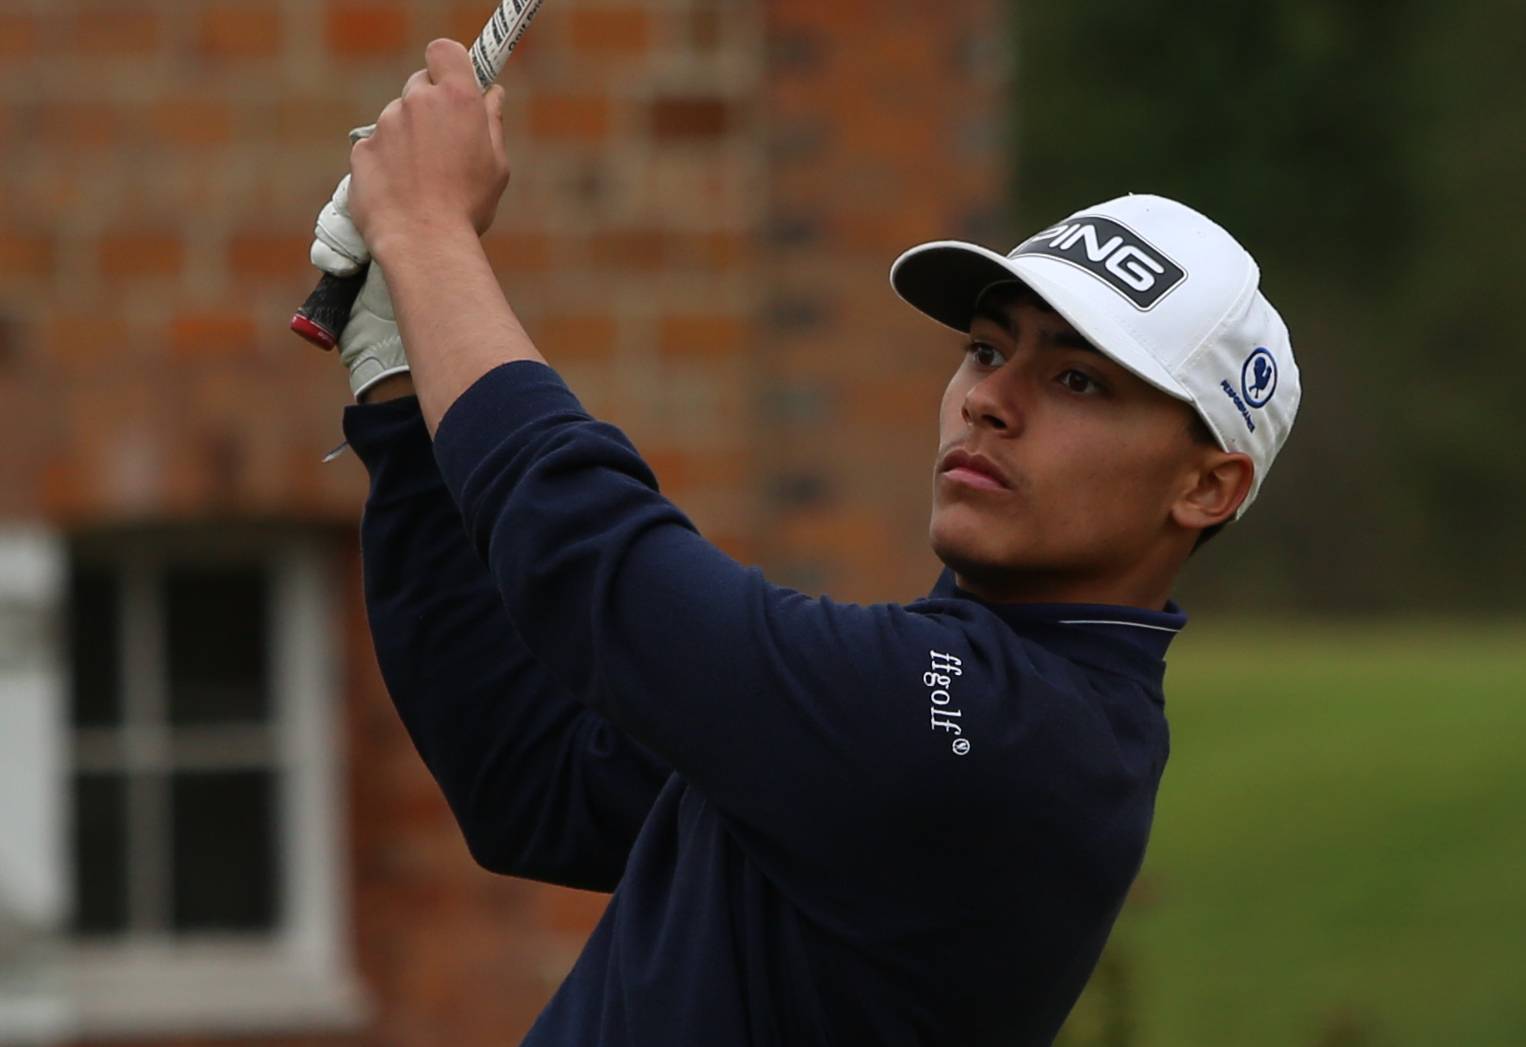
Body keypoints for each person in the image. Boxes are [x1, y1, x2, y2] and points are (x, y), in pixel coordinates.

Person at [327, 40, 1299, 1046]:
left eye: (1077, 380)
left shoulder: (1013, 735)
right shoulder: (936, 709)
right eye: (985, 348)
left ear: (1206, 486)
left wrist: (430, 233)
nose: (989, 400)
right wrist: (399, 383)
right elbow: (536, 781)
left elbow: (605, 573)